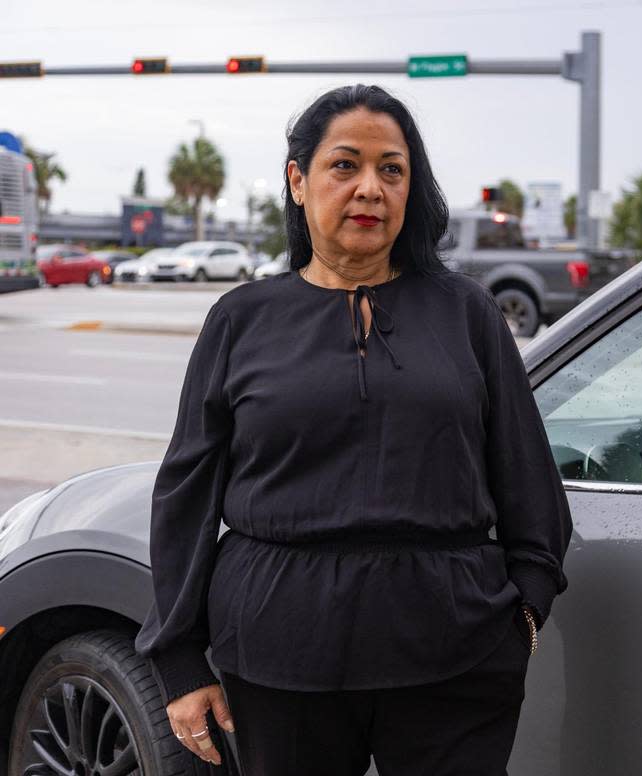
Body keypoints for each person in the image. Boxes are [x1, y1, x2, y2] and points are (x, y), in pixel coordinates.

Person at [134, 83, 573, 775]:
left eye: (391, 170)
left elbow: (528, 478)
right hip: (278, 656)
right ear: (298, 181)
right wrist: (180, 659)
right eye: (346, 165)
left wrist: (524, 611)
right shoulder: (241, 320)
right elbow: (186, 496)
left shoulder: (467, 314)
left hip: (455, 653)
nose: (370, 188)